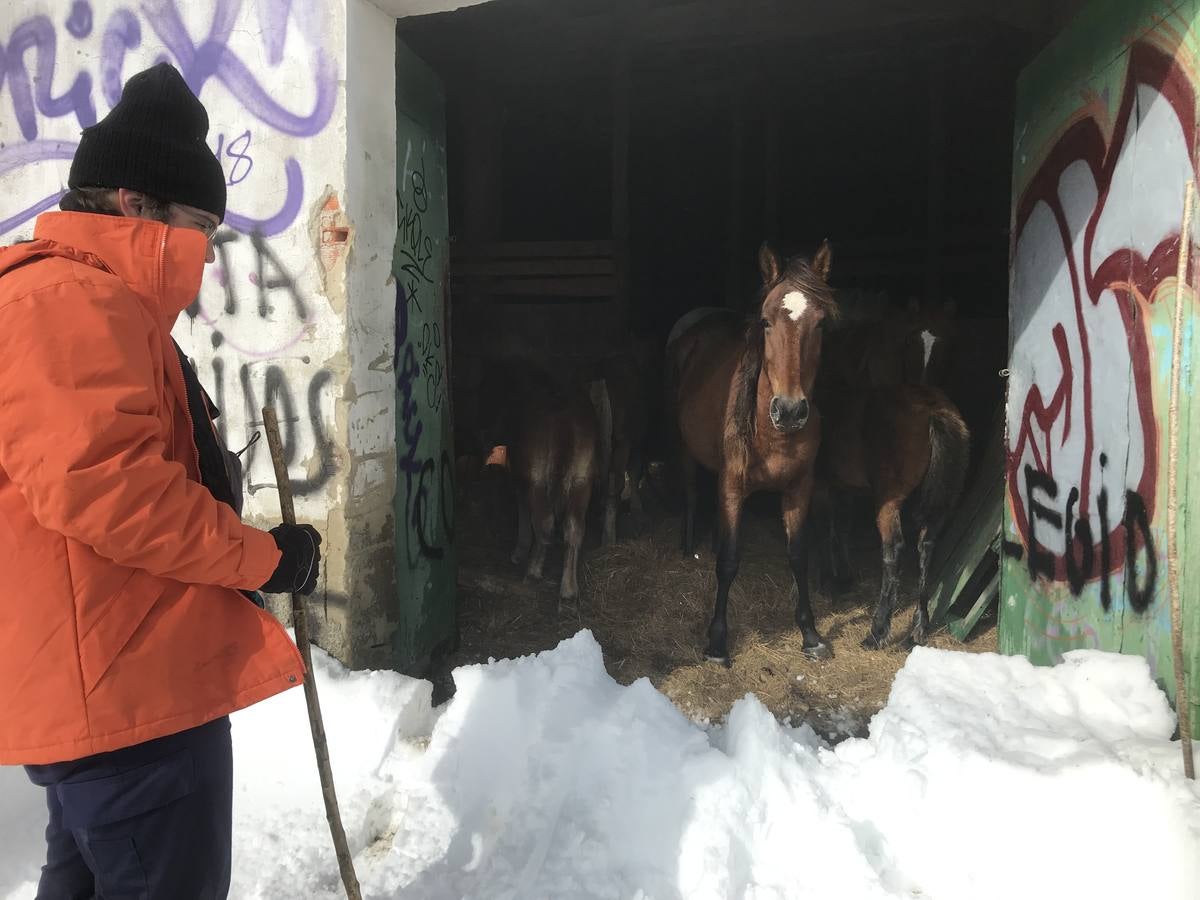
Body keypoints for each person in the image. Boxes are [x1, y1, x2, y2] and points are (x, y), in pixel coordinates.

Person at [0, 63, 323, 898]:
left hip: (102, 681)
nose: (206, 254)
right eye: (199, 228)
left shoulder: (73, 298)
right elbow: (114, 492)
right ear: (133, 206)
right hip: (127, 686)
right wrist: (266, 560)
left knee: (79, 877)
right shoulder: (72, 305)